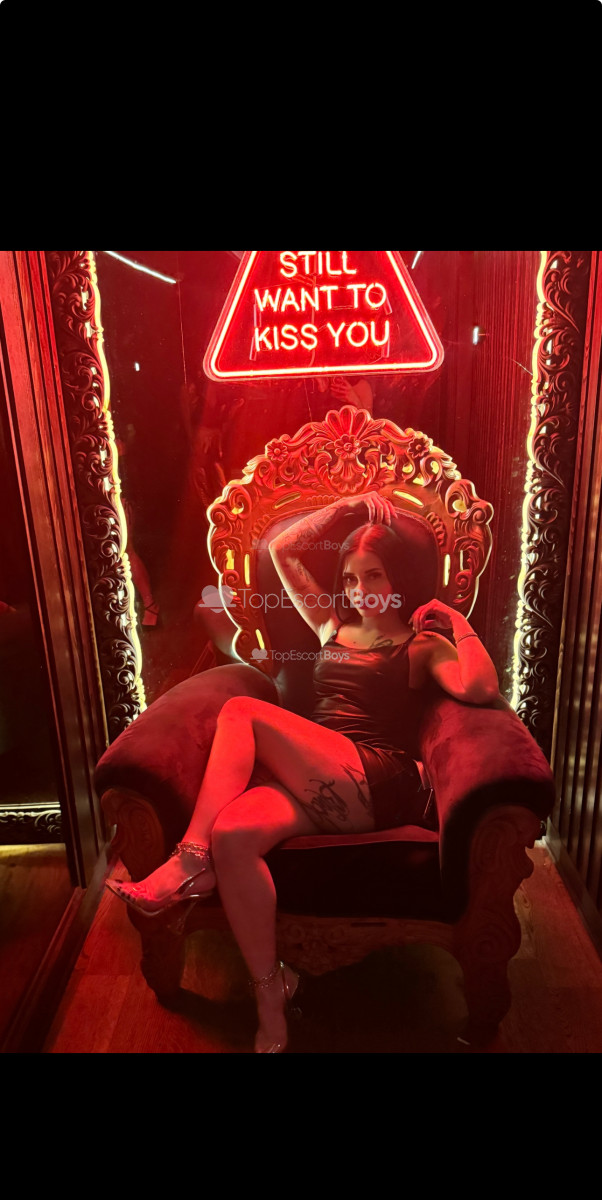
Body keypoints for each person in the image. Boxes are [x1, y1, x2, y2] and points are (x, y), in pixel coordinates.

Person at [107, 490, 499, 1053]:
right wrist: (346, 508)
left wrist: (456, 620)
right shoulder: (330, 627)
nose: (360, 589)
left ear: (398, 580)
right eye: (351, 578)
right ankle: (273, 996)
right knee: (233, 834)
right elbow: (283, 550)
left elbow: (481, 688)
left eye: (374, 575)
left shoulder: (421, 646)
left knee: (242, 712)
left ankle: (188, 862)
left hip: (380, 781)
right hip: (318, 779)